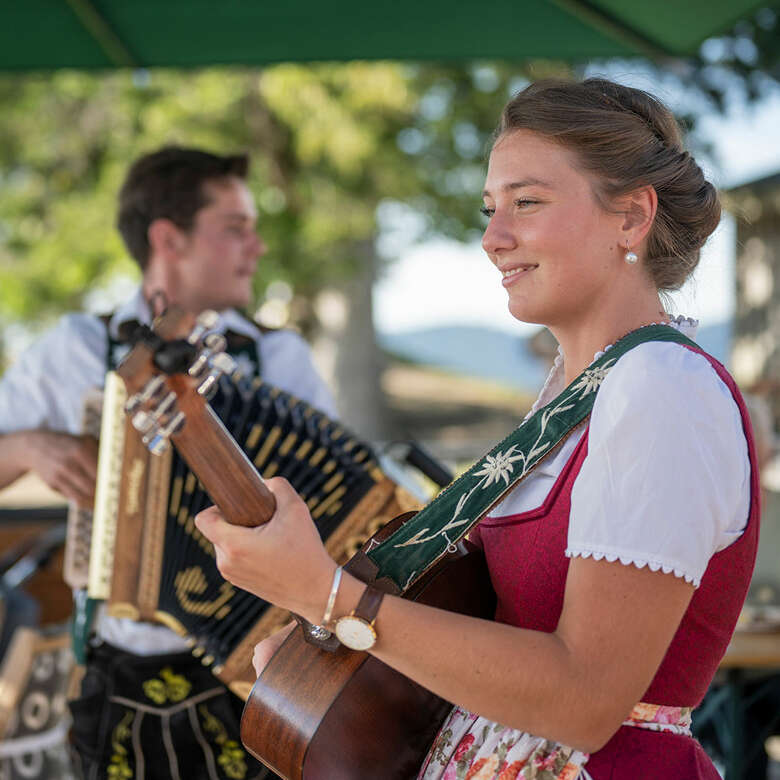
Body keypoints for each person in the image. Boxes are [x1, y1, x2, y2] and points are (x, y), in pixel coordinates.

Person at [196, 78, 761, 779]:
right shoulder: (572, 396)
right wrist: (348, 651)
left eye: (527, 203)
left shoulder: (662, 388)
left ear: (632, 217)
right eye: (491, 208)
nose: (494, 238)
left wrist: (330, 595)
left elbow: (585, 699)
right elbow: (503, 644)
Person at [0, 146, 336, 780]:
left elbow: (339, 509)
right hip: (116, 669)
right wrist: (26, 446)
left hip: (262, 672)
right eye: (236, 228)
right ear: (167, 238)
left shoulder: (279, 357)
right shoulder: (76, 347)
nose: (257, 248)